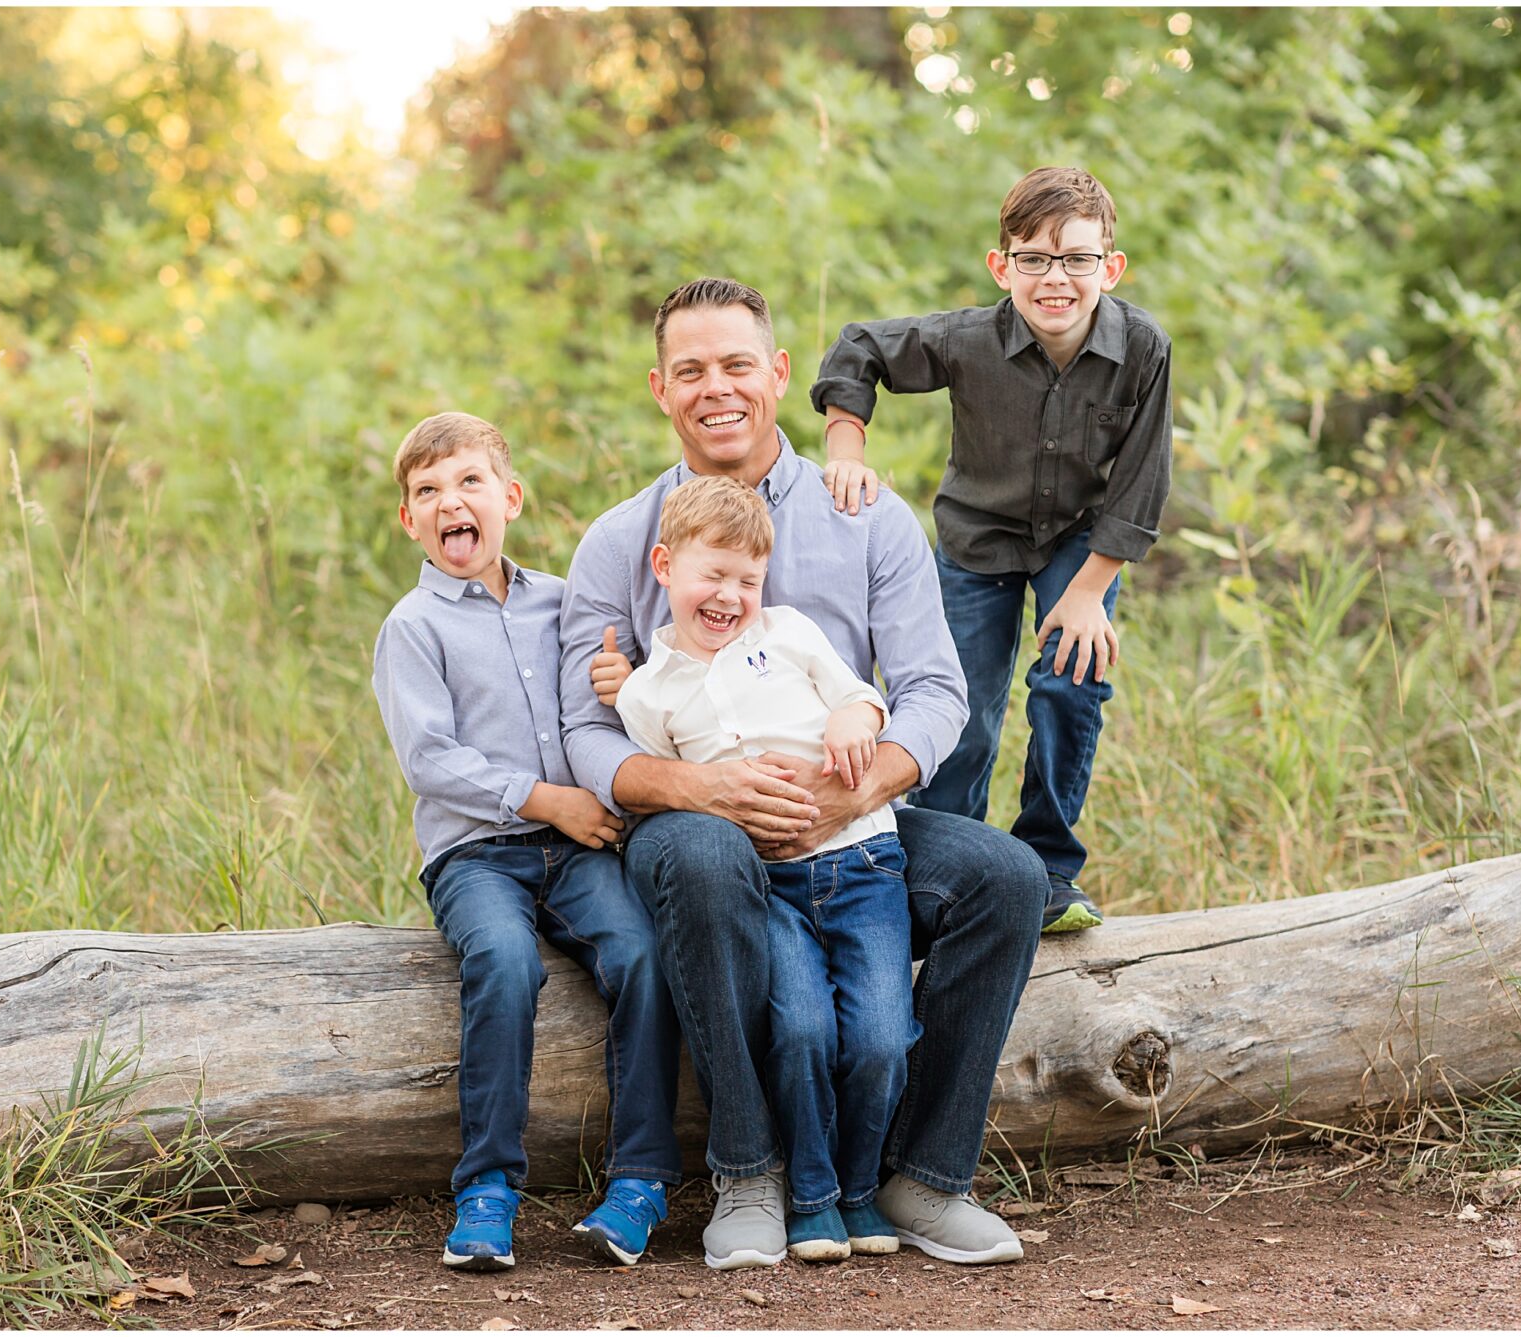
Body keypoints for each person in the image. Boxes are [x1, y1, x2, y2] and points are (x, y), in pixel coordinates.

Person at [558, 277, 1045, 1270]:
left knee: (1005, 878)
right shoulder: (620, 541)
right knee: (698, 853)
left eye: (736, 364)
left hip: (850, 828)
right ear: (659, 388)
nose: (715, 388)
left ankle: (919, 1175)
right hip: (698, 825)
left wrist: (857, 789)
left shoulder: (865, 516)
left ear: (777, 373)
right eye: (689, 370)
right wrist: (701, 791)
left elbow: (931, 691)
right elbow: (582, 734)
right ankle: (749, 1169)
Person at [810, 166, 1174, 934]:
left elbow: (1143, 477)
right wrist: (846, 445)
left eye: (1077, 259)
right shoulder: (969, 340)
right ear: (1000, 265)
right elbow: (859, 348)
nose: (1055, 278)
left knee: (1072, 685)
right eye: (1033, 258)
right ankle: (949, 870)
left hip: (1082, 538)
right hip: (979, 536)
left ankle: (1047, 870)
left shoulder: (1143, 349)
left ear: (1109, 267)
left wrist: (1086, 593)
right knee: (960, 711)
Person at [372, 411, 682, 1272]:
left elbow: (630, 697)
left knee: (642, 951)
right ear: (409, 521)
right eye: (427, 492)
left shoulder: (563, 602)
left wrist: (630, 684)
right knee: (506, 961)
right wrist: (545, 799)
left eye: (468, 482)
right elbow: (430, 759)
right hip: (474, 854)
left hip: (580, 850)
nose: (449, 503)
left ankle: (643, 1177)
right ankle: (487, 1187)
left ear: (509, 497)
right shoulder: (413, 627)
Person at [593, 475, 917, 1263]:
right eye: (714, 575)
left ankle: (860, 1187)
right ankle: (810, 1196)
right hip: (769, 885)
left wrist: (853, 714)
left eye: (747, 579)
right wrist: (617, 685)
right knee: (800, 1026)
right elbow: (670, 796)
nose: (731, 595)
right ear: (664, 566)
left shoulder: (791, 631)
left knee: (879, 1035)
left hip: (862, 860)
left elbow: (862, 698)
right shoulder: (644, 694)